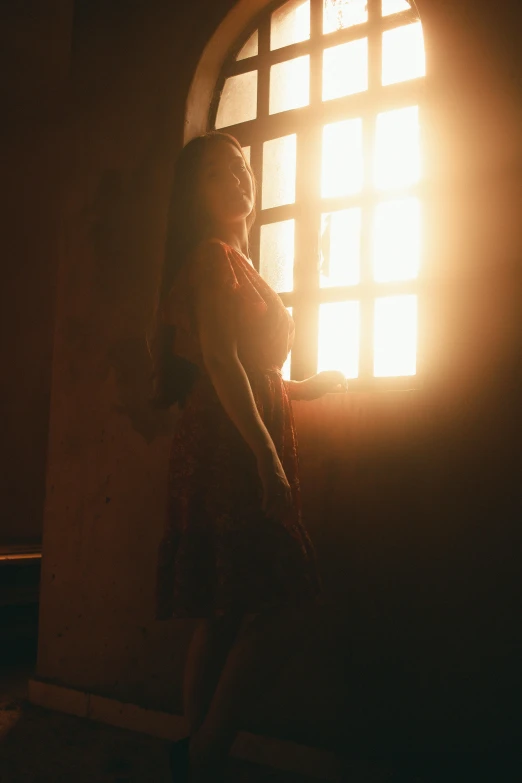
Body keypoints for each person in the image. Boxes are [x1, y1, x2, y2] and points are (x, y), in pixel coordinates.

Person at [147, 131, 348, 783]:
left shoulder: (236, 258)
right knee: (276, 601)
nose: (235, 179)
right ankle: (202, 757)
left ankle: (195, 759)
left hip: (237, 429)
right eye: (215, 173)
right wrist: (266, 454)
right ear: (194, 194)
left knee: (224, 606)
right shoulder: (212, 256)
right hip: (226, 445)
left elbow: (247, 369)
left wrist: (300, 388)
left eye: (239, 168)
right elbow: (219, 360)